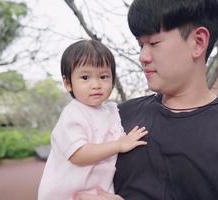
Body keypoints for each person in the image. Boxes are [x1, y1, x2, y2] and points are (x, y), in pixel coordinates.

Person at [75, 0, 218, 199]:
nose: (143, 56)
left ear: (198, 42)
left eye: (153, 43)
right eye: (140, 45)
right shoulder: (118, 116)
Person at [38, 39, 148, 200]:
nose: (96, 84)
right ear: (68, 83)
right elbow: (79, 155)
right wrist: (119, 145)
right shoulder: (72, 114)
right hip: (65, 194)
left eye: (103, 76)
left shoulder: (112, 111)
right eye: (85, 77)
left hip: (99, 191)